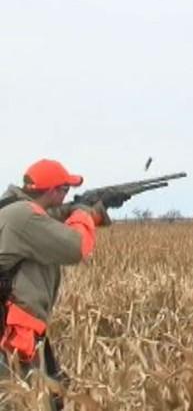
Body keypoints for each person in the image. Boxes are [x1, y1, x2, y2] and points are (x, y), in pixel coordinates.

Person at [0, 159, 110, 410]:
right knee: (25, 401)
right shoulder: (24, 216)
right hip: (13, 331)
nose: (66, 196)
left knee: (43, 397)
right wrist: (82, 213)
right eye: (64, 190)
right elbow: (75, 247)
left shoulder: (13, 208)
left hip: (15, 326)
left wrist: (94, 214)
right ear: (52, 191)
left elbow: (50, 223)